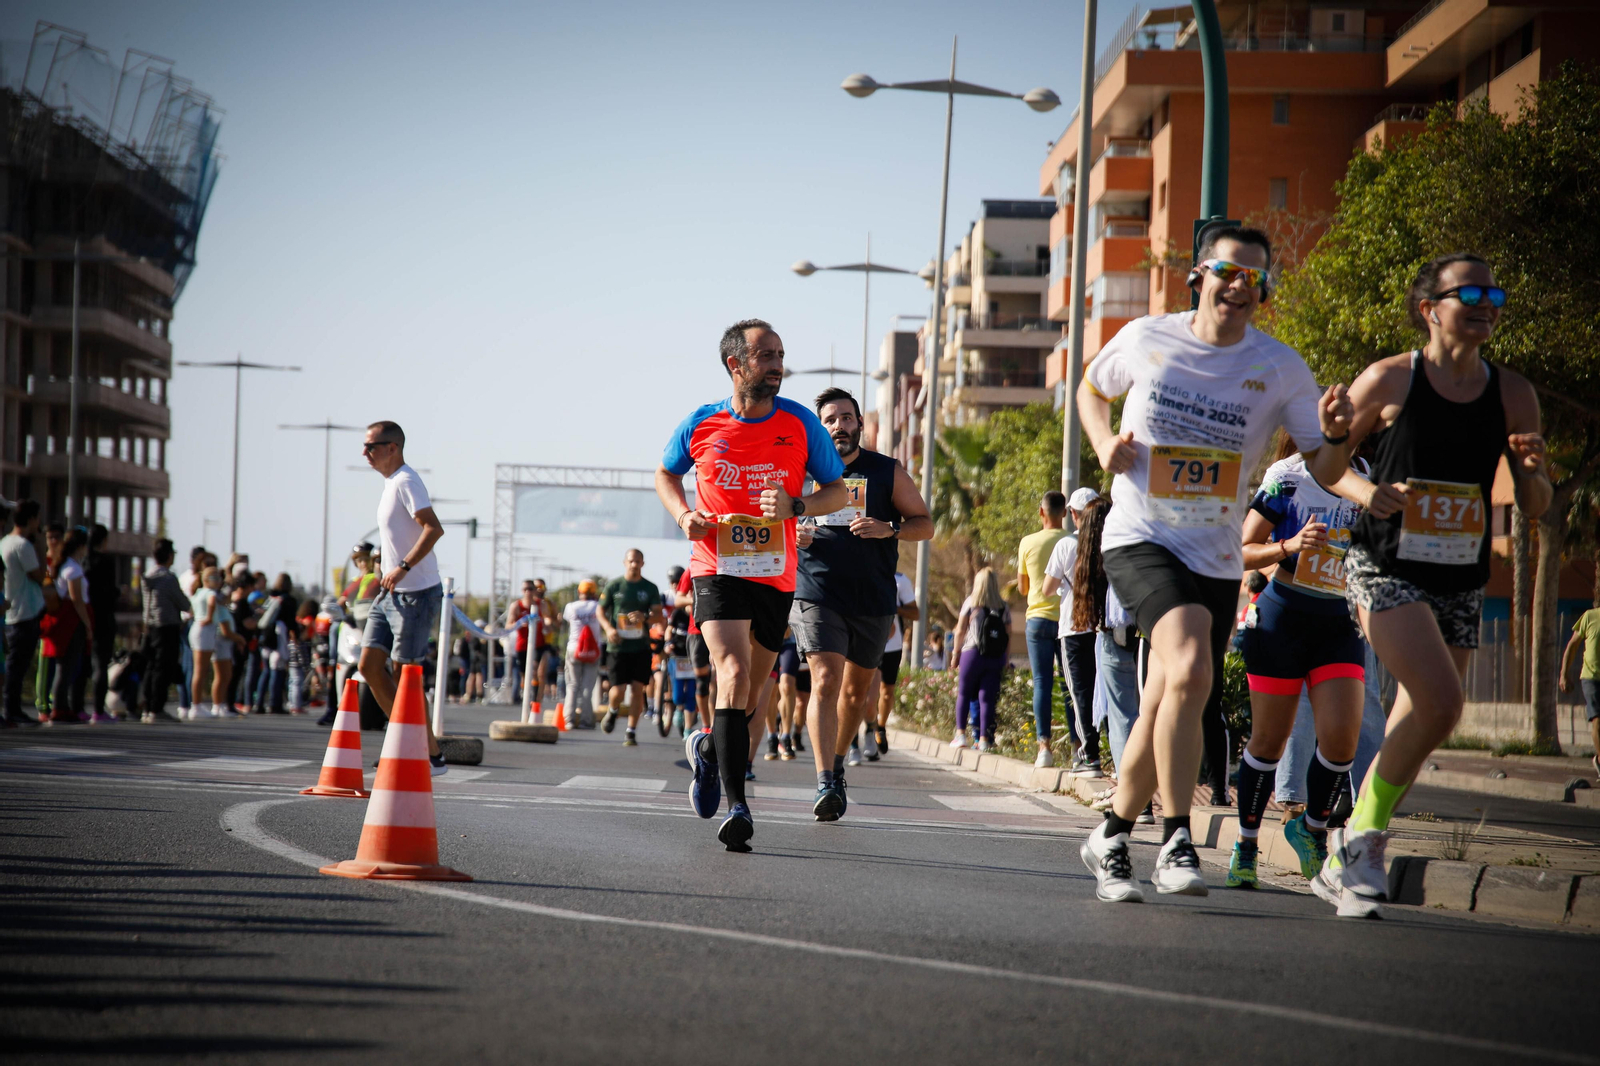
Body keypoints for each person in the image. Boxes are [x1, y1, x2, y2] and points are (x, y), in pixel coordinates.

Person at [1076, 225, 1354, 903]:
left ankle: (1111, 834)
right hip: (1140, 536)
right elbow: (1089, 389)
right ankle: (1177, 839)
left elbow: (1326, 468)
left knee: (1168, 693)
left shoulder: (1280, 367)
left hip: (1217, 553)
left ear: (1264, 291)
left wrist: (1339, 433)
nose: (1239, 286)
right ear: (1199, 276)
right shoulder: (1149, 336)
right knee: (1192, 663)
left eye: (1254, 278)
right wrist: (1103, 441)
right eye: (1228, 272)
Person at [1316, 252, 1548, 918]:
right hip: (1383, 564)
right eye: (1469, 295)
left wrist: (1533, 472)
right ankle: (1364, 842)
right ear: (1430, 309)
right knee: (1444, 703)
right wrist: (1362, 483)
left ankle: (1345, 850)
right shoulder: (1390, 378)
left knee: (1422, 715)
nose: (1485, 306)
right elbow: (1328, 467)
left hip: (1459, 576)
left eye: (1493, 296)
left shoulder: (1514, 394)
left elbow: (1534, 506)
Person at [656, 318, 847, 851]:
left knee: (751, 699)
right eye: (766, 356)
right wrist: (683, 515)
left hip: (775, 573)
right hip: (715, 565)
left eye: (780, 355)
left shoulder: (800, 423)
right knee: (734, 673)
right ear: (735, 364)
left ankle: (708, 752)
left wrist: (796, 505)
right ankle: (738, 806)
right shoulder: (701, 422)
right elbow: (665, 475)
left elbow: (838, 490)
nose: (778, 365)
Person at [1230, 444, 1372, 889]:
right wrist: (1289, 545)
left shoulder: (1367, 478)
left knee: (1342, 741)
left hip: (1339, 622)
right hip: (1283, 617)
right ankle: (1246, 845)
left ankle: (1310, 830)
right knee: (1269, 742)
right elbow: (1243, 549)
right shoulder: (1288, 476)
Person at [790, 385, 932, 816]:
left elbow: (924, 524)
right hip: (816, 592)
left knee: (854, 695)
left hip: (872, 597)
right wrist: (791, 534)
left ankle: (837, 765)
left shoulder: (886, 470)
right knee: (825, 679)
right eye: (830, 420)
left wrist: (890, 528)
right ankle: (824, 781)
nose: (839, 426)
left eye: (846, 418)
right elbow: (770, 520)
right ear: (819, 428)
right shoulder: (800, 472)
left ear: (859, 425)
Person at [358, 420, 448, 774]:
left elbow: (433, 528)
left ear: (392, 447)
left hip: (416, 594)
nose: (365, 453)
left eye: (371, 446)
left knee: (406, 676)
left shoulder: (407, 481)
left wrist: (404, 566)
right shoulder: (390, 483)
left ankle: (431, 755)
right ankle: (404, 742)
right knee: (368, 666)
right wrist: (386, 566)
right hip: (389, 594)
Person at [1043, 488, 1109, 775]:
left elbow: (1047, 588)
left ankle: (1090, 755)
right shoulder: (1108, 542)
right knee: (1102, 691)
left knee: (1080, 693)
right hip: (1102, 627)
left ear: (1073, 514)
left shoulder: (1066, 545)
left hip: (1073, 628)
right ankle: (1114, 754)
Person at [1017, 491, 1071, 770]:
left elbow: (1022, 587)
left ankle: (1044, 749)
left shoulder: (1028, 542)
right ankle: (1079, 748)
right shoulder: (1073, 540)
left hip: (1037, 619)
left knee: (1042, 682)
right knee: (1069, 684)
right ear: (1065, 513)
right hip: (1068, 621)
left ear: (1041, 512)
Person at [598, 549, 665, 746]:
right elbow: (600, 610)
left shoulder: (650, 588)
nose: (634, 565)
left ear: (642, 564)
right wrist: (608, 628)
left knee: (637, 689)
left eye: (637, 561)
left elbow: (658, 615)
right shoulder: (614, 585)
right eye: (631, 561)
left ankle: (631, 731)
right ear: (624, 562)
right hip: (618, 646)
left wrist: (645, 617)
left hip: (641, 646)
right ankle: (612, 710)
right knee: (618, 690)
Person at [947, 567, 1012, 750]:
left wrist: (955, 654)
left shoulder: (971, 602)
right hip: (995, 657)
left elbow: (960, 630)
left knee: (964, 693)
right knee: (987, 698)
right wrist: (1006, 659)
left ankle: (960, 735)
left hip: (972, 654)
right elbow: (1008, 634)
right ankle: (983, 739)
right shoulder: (1003, 606)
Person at [1, 500, 46, 727]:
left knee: (13, 664)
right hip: (25, 611)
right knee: (17, 665)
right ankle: (12, 709)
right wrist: (42, 546)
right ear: (30, 519)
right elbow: (39, 575)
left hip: (11, 611)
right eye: (37, 518)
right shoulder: (23, 545)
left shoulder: (4, 542)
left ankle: (12, 708)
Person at [45, 527, 92, 724]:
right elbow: (76, 599)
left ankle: (62, 706)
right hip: (71, 622)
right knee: (66, 666)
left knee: (64, 666)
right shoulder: (73, 568)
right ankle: (59, 708)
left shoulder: (64, 565)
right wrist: (87, 624)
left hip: (66, 621)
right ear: (80, 547)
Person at [869, 571, 918, 757]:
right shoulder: (865, 572)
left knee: (887, 691)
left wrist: (895, 608)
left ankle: (880, 727)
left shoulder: (900, 580)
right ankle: (868, 730)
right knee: (868, 693)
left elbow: (915, 613)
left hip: (893, 645)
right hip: (869, 641)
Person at [140, 538, 189, 724]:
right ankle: (157, 709)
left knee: (151, 667)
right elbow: (183, 603)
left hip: (150, 626)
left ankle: (147, 708)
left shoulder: (148, 576)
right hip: (167, 627)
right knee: (164, 668)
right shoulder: (168, 578)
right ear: (169, 556)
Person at [86, 525, 121, 724]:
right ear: (104, 540)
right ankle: (98, 710)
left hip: (85, 616)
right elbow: (110, 591)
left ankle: (76, 707)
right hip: (104, 617)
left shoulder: (83, 561)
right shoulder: (106, 561)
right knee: (101, 663)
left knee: (83, 664)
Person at [1560, 607, 1600, 781]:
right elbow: (1572, 645)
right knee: (1598, 720)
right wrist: (1564, 674)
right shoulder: (1590, 616)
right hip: (1591, 677)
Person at [674, 564, 714, 734]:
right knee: (702, 682)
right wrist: (695, 600)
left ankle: (718, 724)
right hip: (697, 632)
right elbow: (678, 600)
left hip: (722, 630)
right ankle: (706, 725)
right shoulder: (693, 568)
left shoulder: (728, 563)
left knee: (718, 680)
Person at [563, 580, 604, 728]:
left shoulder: (571, 607)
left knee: (572, 685)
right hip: (593, 650)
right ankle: (586, 720)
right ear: (594, 592)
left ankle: (569, 719)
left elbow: (568, 622)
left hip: (574, 648)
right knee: (588, 687)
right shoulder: (598, 607)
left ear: (579, 592)